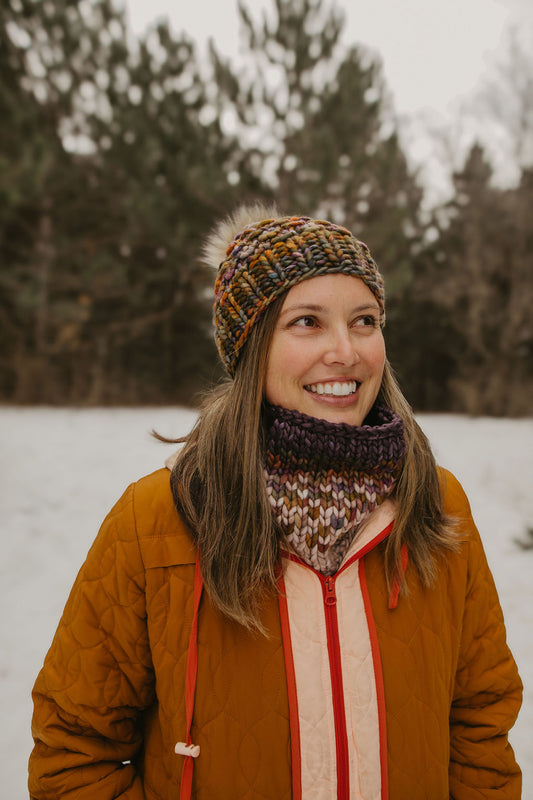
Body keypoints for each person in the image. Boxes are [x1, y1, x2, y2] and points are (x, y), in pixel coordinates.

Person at [29, 206, 522, 799]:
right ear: (250, 348)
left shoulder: (436, 506)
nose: (345, 350)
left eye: (364, 320)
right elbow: (74, 752)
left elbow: (481, 724)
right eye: (307, 322)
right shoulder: (158, 520)